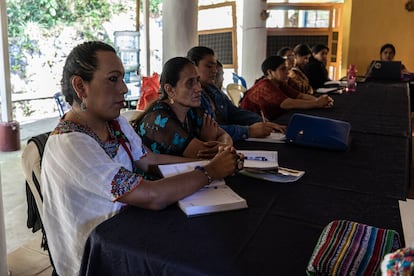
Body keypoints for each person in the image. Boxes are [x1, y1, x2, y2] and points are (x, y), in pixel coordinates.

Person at [41, 41, 241, 276]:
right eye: (113, 79)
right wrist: (210, 172)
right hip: (98, 257)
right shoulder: (71, 143)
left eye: (122, 79)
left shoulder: (115, 124)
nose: (124, 89)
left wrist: (209, 163)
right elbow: (151, 195)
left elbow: (149, 160)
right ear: (80, 87)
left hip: (128, 233)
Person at [132, 57, 232, 159]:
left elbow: (225, 137)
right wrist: (209, 140)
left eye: (197, 80)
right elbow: (204, 155)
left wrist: (223, 145)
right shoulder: (159, 120)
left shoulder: (191, 110)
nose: (198, 88)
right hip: (163, 175)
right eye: (189, 83)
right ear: (170, 90)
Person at [186, 46, 285, 141]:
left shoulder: (213, 90)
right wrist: (248, 131)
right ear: (193, 66)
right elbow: (207, 131)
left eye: (215, 66)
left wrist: (263, 122)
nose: (215, 71)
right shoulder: (191, 96)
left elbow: (234, 112)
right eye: (208, 66)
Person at [240, 55, 333, 121]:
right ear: (270, 72)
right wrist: (316, 103)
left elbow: (299, 96)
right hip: (250, 124)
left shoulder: (279, 83)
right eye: (282, 69)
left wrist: (320, 100)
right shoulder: (265, 85)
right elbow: (288, 103)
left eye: (287, 69)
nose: (287, 72)